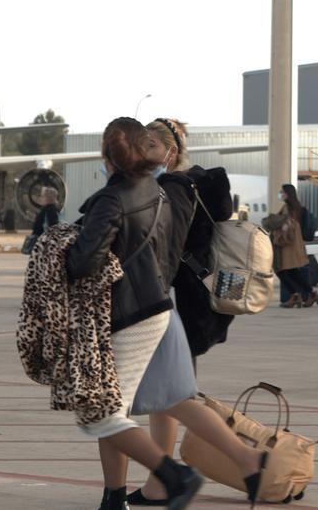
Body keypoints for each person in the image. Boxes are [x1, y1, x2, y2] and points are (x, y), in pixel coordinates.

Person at [63, 117, 208, 510]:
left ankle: (175, 475)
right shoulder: (154, 191)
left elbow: (84, 261)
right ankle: (116, 496)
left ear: (107, 156)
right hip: (154, 307)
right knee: (143, 404)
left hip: (133, 312)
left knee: (104, 412)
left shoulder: (117, 198)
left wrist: (62, 253)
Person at [125, 117, 268, 506]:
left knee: (167, 396)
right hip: (188, 301)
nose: (142, 153)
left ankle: (243, 459)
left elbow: (161, 247)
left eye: (150, 146)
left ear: (169, 151)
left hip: (174, 302)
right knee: (167, 395)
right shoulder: (192, 185)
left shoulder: (173, 189)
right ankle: (161, 482)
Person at [266, 184, 316, 308]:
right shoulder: (295, 207)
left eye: (282, 192)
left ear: (287, 194)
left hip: (288, 244)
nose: (280, 194)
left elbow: (285, 225)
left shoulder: (289, 208)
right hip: (293, 244)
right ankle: (309, 294)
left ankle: (296, 295)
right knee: (292, 272)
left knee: (281, 271)